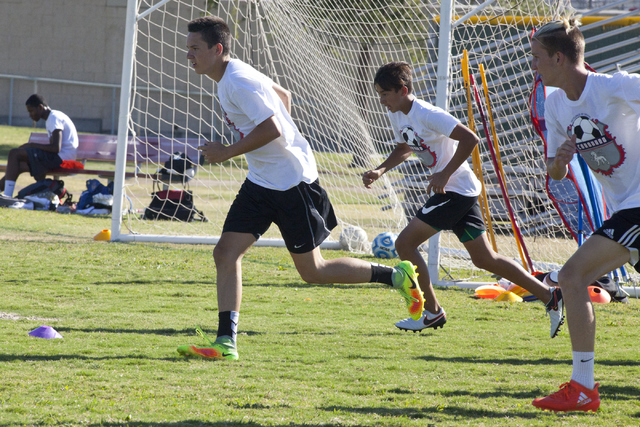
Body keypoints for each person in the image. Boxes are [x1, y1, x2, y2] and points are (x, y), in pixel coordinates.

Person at [176, 16, 424, 361]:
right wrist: (279, 149)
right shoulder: (230, 75)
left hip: (292, 184)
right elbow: (283, 95)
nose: (188, 55)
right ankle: (226, 342)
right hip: (263, 181)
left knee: (313, 272)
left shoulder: (238, 83)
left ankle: (395, 276)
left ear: (217, 50)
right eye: (187, 48)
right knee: (225, 253)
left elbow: (273, 128)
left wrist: (227, 153)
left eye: (195, 48)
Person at [362, 61, 564, 337]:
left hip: (454, 191)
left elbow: (470, 138)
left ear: (403, 90)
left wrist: (444, 174)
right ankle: (550, 296)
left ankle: (432, 312)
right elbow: (405, 147)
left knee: (404, 243)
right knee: (485, 259)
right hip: (460, 192)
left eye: (384, 94)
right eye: (379, 95)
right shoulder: (397, 114)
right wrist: (380, 169)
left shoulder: (428, 113)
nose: (381, 100)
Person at [529, 18, 640, 413]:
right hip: (627, 207)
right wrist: (559, 163)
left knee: (572, 276)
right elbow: (553, 171)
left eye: (537, 57)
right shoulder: (554, 101)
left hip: (638, 207)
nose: (533, 65)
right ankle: (583, 388)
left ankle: (583, 388)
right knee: (574, 277)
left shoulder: (614, 86)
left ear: (559, 58)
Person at [0, 94, 78, 200]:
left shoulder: (54, 118)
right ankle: (2, 193)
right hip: (62, 158)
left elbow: (56, 148)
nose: (30, 115)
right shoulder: (52, 118)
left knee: (14, 153)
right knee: (19, 165)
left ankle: (7, 197)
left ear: (40, 107)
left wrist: (31, 145)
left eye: (31, 111)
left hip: (62, 159)